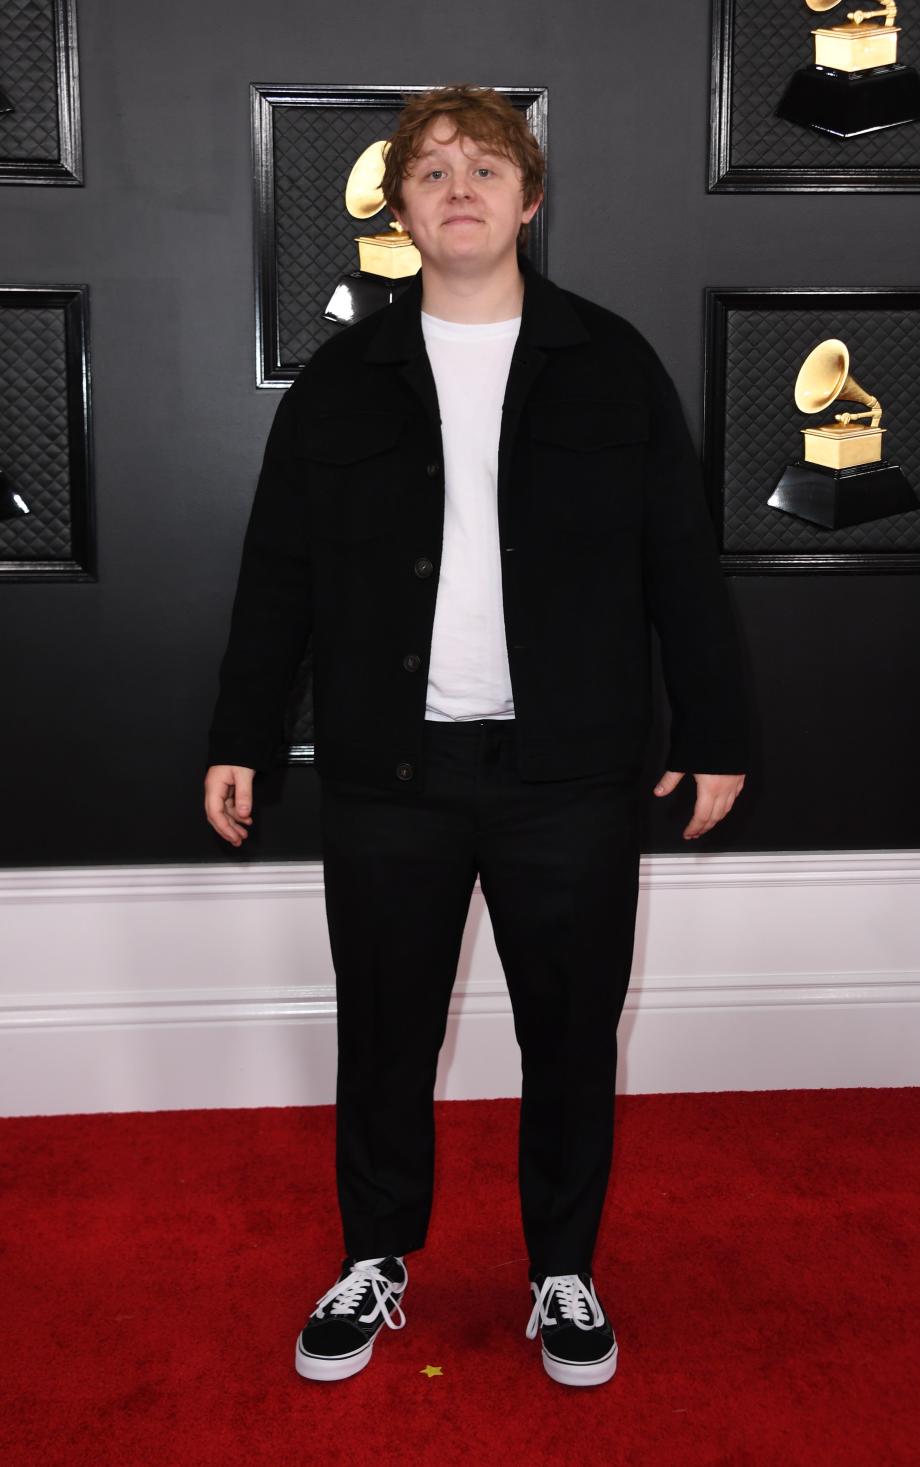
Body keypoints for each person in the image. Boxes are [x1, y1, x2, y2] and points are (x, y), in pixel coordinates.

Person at [204, 83, 748, 1389]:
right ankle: (376, 1257)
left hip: (569, 769)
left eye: (487, 166)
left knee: (570, 1030)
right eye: (434, 169)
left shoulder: (610, 365)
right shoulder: (341, 385)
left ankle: (562, 1271)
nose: (461, 187)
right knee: (386, 1030)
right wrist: (237, 730)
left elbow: (680, 560)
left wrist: (718, 725)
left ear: (529, 199)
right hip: (393, 770)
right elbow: (277, 574)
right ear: (400, 208)